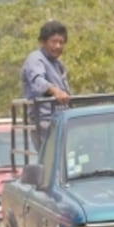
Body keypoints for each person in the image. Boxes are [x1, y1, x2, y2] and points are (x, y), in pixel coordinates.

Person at [21, 20, 71, 150]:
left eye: (61, 42)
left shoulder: (58, 65)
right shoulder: (35, 59)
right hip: (44, 122)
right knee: (51, 156)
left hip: (61, 119)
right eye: (54, 42)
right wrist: (55, 91)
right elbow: (38, 81)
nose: (58, 46)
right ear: (43, 42)